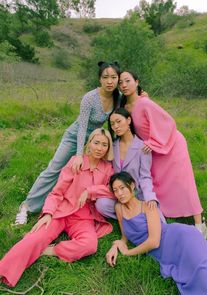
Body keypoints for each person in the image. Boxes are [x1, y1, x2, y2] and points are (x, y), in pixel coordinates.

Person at [0, 128, 115, 287]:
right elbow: (57, 192)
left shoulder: (108, 169)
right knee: (34, 237)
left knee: (90, 245)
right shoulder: (76, 161)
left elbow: (112, 190)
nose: (99, 148)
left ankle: (50, 250)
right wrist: (48, 213)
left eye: (104, 145)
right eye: (96, 143)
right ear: (89, 143)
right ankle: (4, 271)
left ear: (108, 148)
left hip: (83, 217)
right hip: (61, 211)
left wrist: (90, 191)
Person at [15, 61, 121, 225]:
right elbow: (82, 127)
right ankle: (27, 206)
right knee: (54, 168)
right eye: (105, 77)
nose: (109, 81)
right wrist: (79, 154)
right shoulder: (90, 98)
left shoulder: (118, 97)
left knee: (82, 173)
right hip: (75, 136)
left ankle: (70, 206)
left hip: (95, 139)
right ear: (99, 79)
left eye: (113, 77)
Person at [106, 171, 207, 295]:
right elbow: (124, 237)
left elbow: (154, 242)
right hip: (165, 253)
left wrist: (128, 252)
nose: (119, 193)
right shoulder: (119, 208)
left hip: (181, 238)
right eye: (115, 190)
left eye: (122, 188)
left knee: (204, 274)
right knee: (194, 275)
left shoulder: (147, 206)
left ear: (132, 185)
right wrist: (115, 246)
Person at [119, 71, 207, 237]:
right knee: (161, 181)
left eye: (127, 81)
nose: (124, 85)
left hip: (171, 144)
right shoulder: (125, 107)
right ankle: (168, 212)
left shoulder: (144, 102)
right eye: (121, 83)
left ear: (136, 82)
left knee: (184, 183)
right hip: (152, 149)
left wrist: (153, 142)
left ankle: (199, 223)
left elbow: (167, 122)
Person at [95, 108, 165, 223]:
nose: (115, 126)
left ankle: (133, 216)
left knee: (159, 222)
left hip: (137, 195)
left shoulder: (143, 147)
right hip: (119, 195)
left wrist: (150, 197)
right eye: (112, 124)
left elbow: (145, 176)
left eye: (118, 121)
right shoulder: (112, 146)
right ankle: (132, 217)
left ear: (128, 120)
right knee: (101, 205)